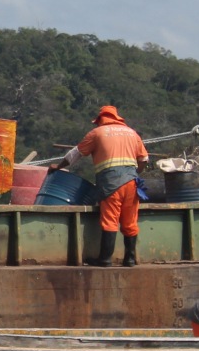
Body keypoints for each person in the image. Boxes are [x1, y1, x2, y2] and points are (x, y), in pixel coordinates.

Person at [59, 105, 149, 267]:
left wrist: (57, 167)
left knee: (110, 220)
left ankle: (105, 259)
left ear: (100, 119)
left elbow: (74, 154)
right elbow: (143, 160)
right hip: (132, 184)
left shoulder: (97, 133)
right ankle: (129, 259)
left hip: (110, 184)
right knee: (130, 222)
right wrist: (133, 175)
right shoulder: (132, 133)